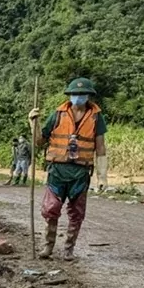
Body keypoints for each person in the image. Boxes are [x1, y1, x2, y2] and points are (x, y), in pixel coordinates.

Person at [30, 77, 108, 261]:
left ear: (89, 96)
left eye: (82, 94)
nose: (78, 97)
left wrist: (102, 176)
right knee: (51, 209)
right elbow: (39, 141)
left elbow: (101, 147)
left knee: (77, 213)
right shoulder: (58, 114)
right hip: (57, 170)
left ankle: (68, 250)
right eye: (75, 94)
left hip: (81, 172)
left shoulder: (97, 117)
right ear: (69, 95)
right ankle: (47, 247)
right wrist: (33, 123)